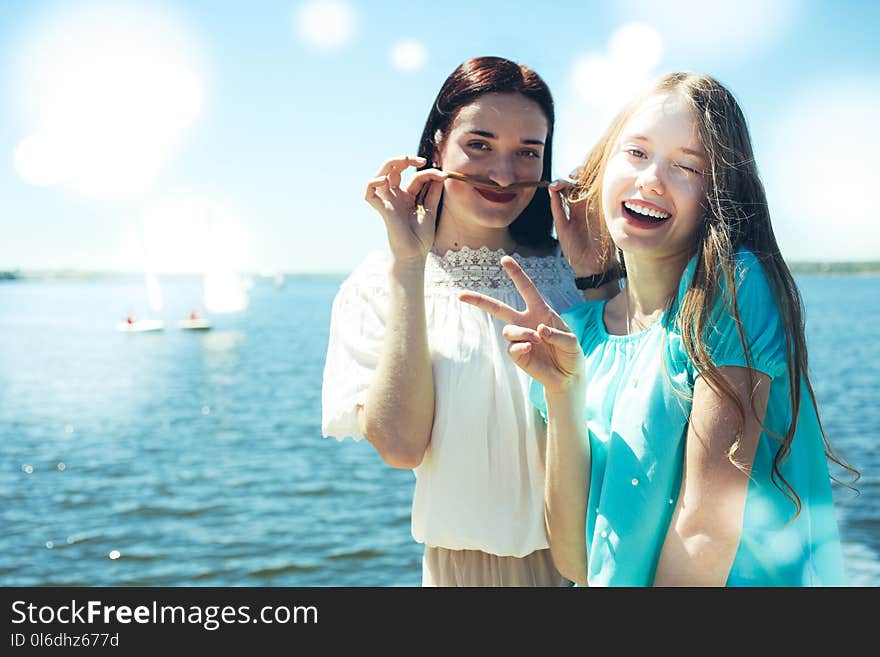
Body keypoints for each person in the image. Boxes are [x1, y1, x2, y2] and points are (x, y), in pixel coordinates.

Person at [460, 72, 859, 586]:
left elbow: (705, 530)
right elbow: (577, 560)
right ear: (601, 168)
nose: (651, 179)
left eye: (687, 167)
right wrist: (561, 391)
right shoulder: (578, 336)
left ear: (719, 196)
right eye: (636, 153)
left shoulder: (730, 289)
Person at [321, 56, 618, 586]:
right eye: (479, 145)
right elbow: (400, 446)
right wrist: (409, 266)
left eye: (528, 152)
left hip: (611, 560)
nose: (504, 174)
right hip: (471, 575)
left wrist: (598, 281)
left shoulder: (578, 270)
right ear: (437, 144)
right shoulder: (376, 284)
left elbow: (631, 414)